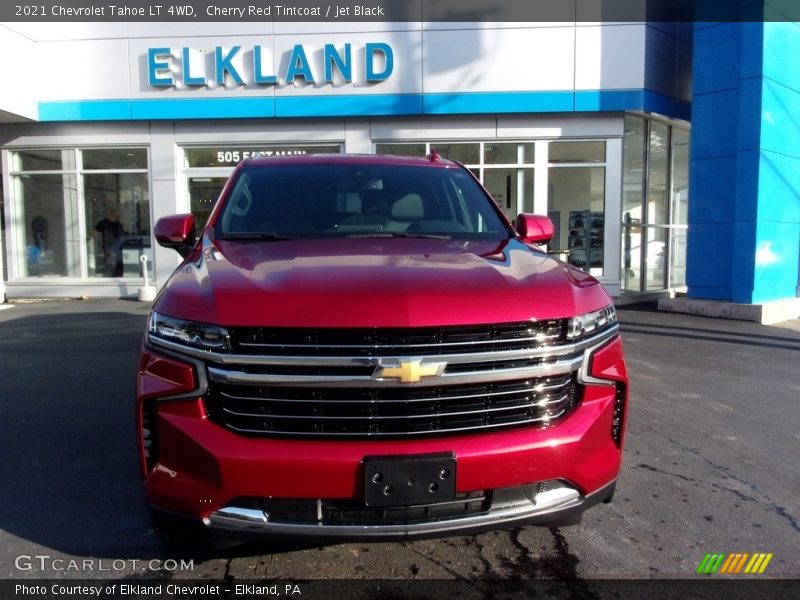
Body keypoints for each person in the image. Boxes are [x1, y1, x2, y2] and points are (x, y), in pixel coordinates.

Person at [95, 210, 126, 277]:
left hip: (115, 248)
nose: (117, 219)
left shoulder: (117, 224)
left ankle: (113, 276)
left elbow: (121, 236)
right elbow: (95, 232)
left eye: (117, 217)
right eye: (116, 217)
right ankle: (107, 278)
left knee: (116, 265)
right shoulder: (104, 223)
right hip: (110, 248)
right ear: (111, 216)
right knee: (110, 265)